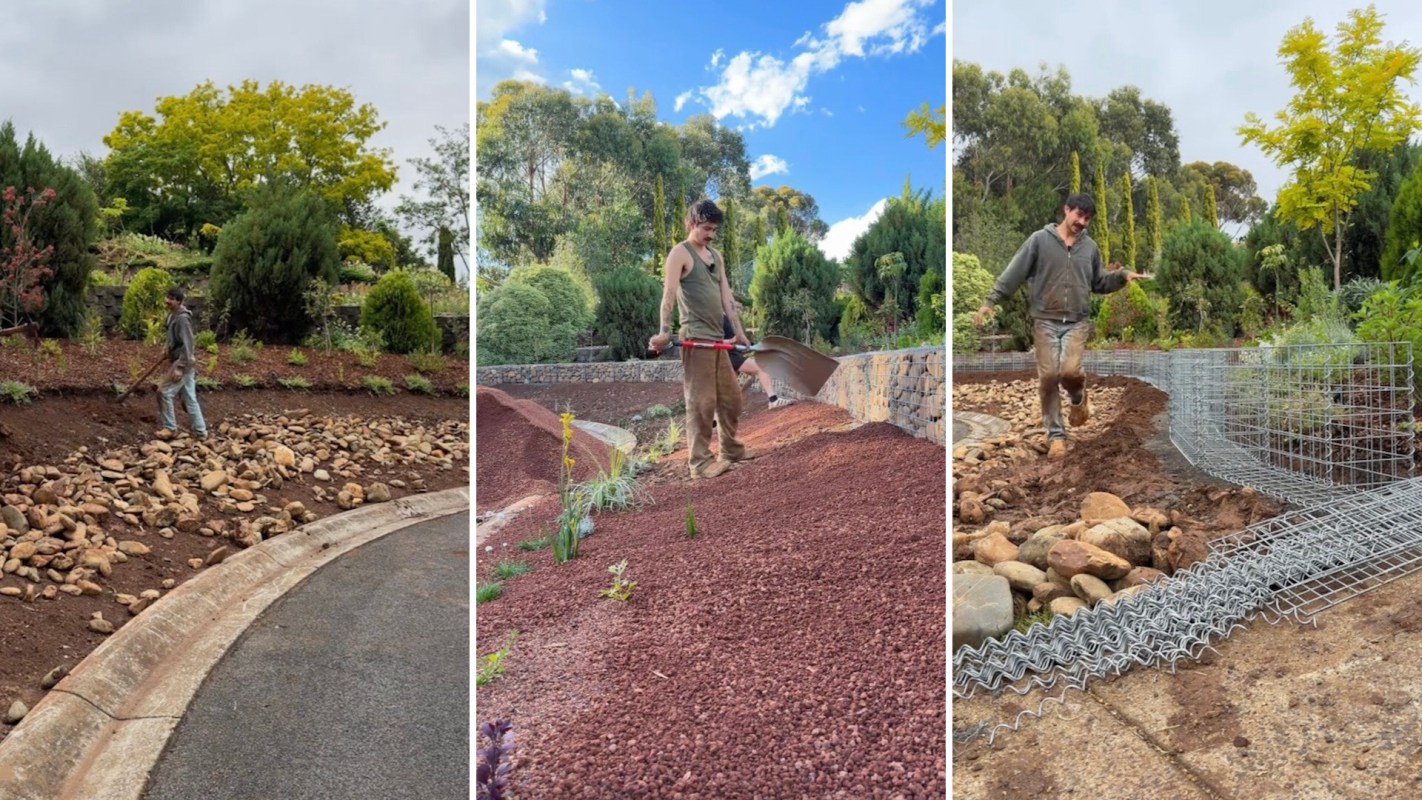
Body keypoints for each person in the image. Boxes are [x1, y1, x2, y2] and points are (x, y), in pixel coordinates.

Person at [973, 192, 1147, 460]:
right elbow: (1015, 271)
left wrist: (1122, 276)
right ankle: (1056, 436)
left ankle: (1078, 399)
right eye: (1079, 215)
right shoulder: (1040, 241)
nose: (1082, 222)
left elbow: (1099, 282)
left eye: (1087, 218)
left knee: (1070, 372)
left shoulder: (1090, 248)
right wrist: (991, 300)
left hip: (1077, 322)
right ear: (1066, 210)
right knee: (1048, 377)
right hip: (1045, 321)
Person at [648, 199, 756, 479]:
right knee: (701, 402)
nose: (711, 234)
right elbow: (668, 295)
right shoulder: (680, 254)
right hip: (696, 339)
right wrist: (663, 330)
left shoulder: (715, 256)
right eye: (706, 228)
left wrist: (739, 331)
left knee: (732, 399)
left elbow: (727, 297)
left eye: (714, 230)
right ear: (691, 224)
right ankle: (700, 462)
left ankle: (731, 450)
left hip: (719, 340)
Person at [157, 286, 208, 441]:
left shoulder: (182, 319)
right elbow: (173, 338)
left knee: (163, 392)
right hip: (180, 360)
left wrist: (180, 367)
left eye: (172, 299)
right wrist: (167, 348)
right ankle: (201, 432)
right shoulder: (172, 316)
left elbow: (188, 344)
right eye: (167, 297)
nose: (168, 301)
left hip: (183, 362)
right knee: (190, 398)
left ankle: (170, 428)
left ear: (179, 302)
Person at [723, 303, 792, 409]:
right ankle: (773, 400)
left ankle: (713, 417)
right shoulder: (715, 318)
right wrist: (730, 341)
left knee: (725, 386)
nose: (737, 309)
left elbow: (733, 339)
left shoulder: (725, 317)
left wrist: (744, 344)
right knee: (760, 367)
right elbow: (712, 341)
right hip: (726, 355)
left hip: (732, 353)